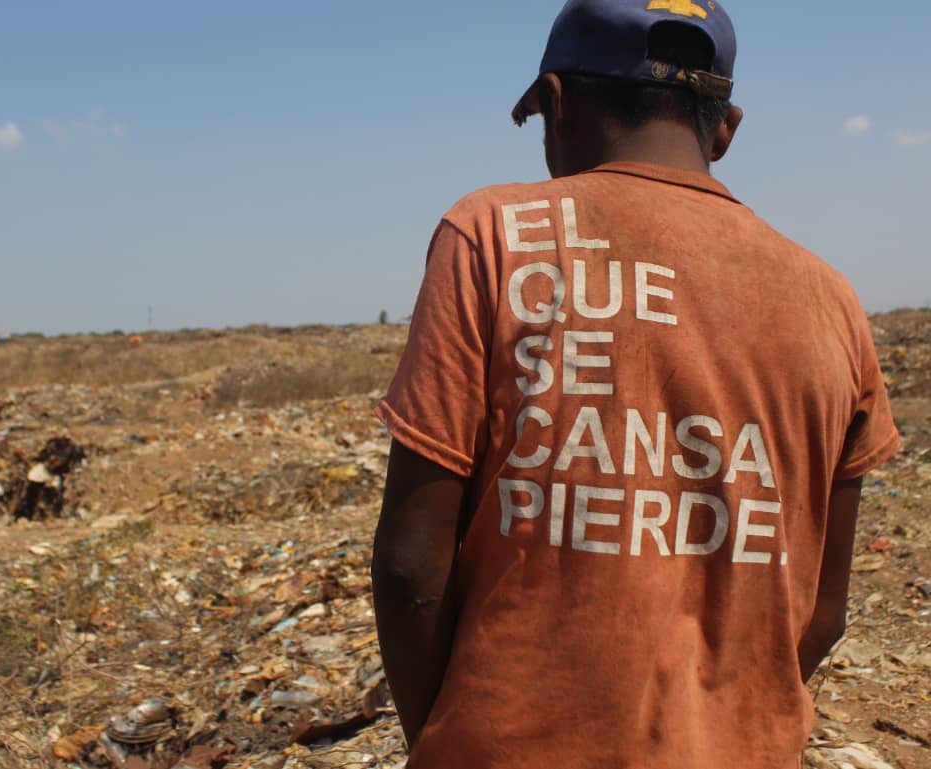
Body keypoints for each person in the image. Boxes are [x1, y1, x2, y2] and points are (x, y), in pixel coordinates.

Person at [370, 1, 901, 768]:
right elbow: (820, 612)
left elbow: (411, 566)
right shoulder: (832, 299)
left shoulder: (490, 236)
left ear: (554, 103)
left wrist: (445, 739)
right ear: (724, 128)